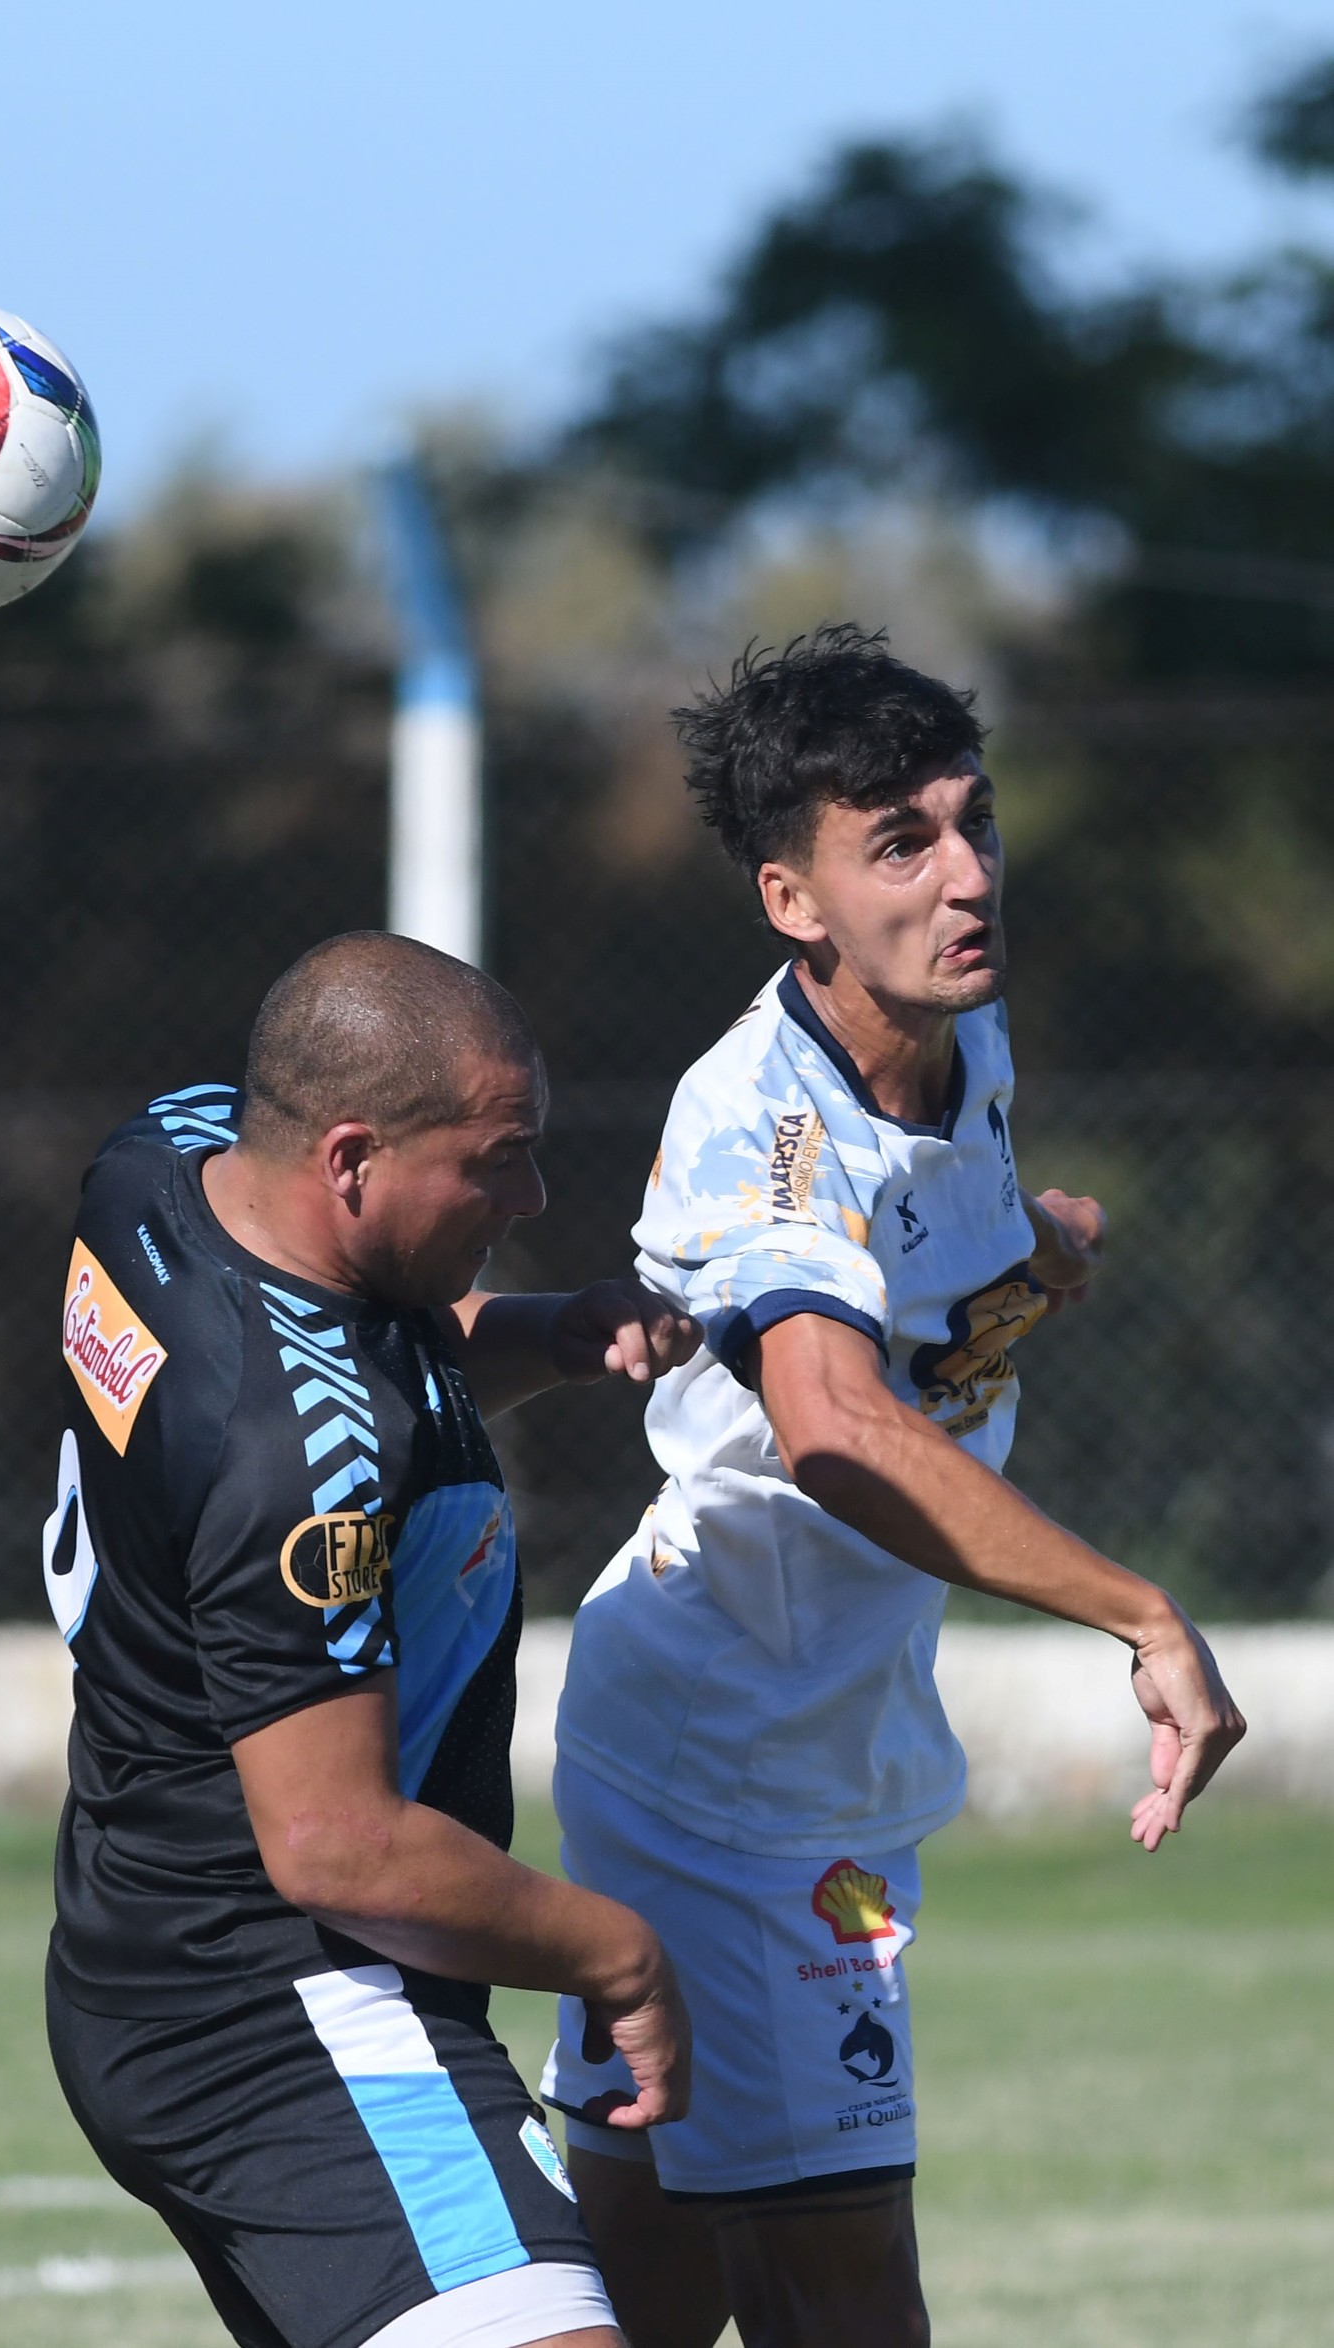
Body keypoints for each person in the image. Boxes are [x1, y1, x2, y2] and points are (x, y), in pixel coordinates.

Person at [538, 627, 1246, 2348]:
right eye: (901, 845)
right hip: (735, 1770)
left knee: (652, 2272)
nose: (966, 877)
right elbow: (838, 1430)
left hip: (812, 1740)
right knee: (847, 2295)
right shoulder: (758, 1127)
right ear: (794, 901)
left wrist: (1038, 1247)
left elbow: (934, 1270)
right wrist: (1138, 1611)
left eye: (972, 821)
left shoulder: (955, 1044)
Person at [42, 929, 700, 2348]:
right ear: (346, 1161)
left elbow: (340, 1352)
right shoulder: (297, 1467)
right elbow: (336, 1844)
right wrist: (617, 1954)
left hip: (140, 1944)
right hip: (295, 2009)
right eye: (495, 1159)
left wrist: (534, 1332)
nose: (530, 1196)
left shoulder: (163, 1158)